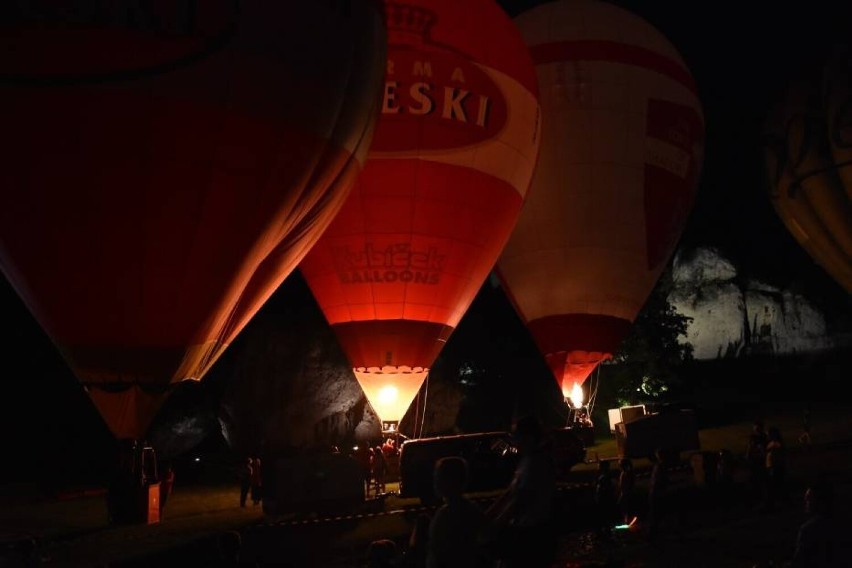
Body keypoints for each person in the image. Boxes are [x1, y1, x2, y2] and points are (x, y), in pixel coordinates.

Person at [485, 415, 557, 567]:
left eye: (517, 436)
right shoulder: (528, 460)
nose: (513, 440)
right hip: (529, 530)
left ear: (529, 438)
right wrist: (488, 516)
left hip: (533, 533)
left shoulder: (535, 464)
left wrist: (496, 523)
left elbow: (519, 499)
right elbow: (510, 493)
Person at [426, 457, 488, 568]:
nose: (435, 480)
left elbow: (439, 553)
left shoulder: (446, 515)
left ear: (450, 480)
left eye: (438, 476)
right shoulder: (472, 509)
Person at [789, 481, 837, 567]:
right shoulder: (841, 525)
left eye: (809, 499)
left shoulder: (808, 530)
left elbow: (799, 562)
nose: (806, 503)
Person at [647, 448, 669, 542]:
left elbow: (656, 480)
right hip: (657, 493)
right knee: (657, 514)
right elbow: (660, 480)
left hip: (655, 493)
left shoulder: (658, 466)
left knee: (655, 514)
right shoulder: (661, 466)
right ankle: (654, 534)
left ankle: (653, 533)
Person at [763, 426, 787, 512]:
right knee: (772, 486)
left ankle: (776, 505)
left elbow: (778, 456)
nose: (767, 436)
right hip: (771, 467)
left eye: (768, 434)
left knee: (774, 486)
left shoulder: (776, 444)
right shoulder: (771, 443)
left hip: (775, 468)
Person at [746, 420, 769, 503]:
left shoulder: (765, 437)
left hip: (761, 460)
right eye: (755, 428)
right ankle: (756, 496)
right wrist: (748, 455)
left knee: (763, 479)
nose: (756, 430)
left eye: (758, 428)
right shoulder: (753, 437)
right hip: (755, 461)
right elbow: (750, 447)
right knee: (754, 478)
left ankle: (763, 497)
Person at [594, 460, 617, 538]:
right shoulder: (605, 476)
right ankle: (605, 531)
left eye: (599, 466)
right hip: (604, 499)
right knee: (604, 516)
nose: (598, 467)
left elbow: (605, 489)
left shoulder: (605, 477)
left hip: (603, 499)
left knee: (603, 516)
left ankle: (604, 532)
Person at [617, 458, 636, 525]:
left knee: (626, 507)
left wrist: (624, 493)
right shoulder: (625, 473)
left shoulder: (627, 473)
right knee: (625, 507)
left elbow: (627, 484)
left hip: (626, 493)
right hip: (625, 493)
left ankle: (628, 521)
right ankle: (627, 520)